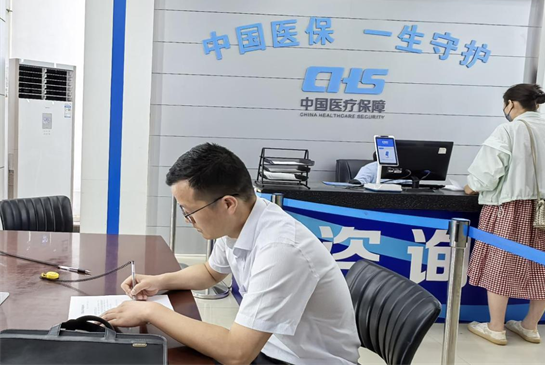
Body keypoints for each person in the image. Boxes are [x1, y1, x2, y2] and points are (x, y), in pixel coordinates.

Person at [102, 143, 361, 365]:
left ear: (228, 204)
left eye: (190, 212)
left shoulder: (281, 250)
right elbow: (210, 272)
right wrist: (158, 282)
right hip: (269, 346)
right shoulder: (245, 219)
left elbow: (236, 354)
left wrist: (151, 312)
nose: (188, 221)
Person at [464, 84, 545, 346]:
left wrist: (471, 186)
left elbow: (486, 173)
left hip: (510, 208)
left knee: (500, 265)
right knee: (544, 267)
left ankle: (496, 328)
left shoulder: (508, 130)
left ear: (511, 103)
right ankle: (530, 326)